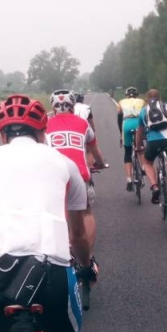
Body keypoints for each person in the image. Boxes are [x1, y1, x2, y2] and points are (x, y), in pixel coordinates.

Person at [0, 94, 91, 332]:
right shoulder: (63, 162)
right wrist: (86, 266)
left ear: (2, 136)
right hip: (51, 268)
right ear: (42, 132)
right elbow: (77, 235)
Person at [46, 89, 106, 278]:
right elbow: (94, 149)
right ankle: (87, 256)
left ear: (53, 108)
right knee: (86, 213)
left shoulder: (45, 124)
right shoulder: (82, 123)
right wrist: (100, 163)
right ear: (73, 106)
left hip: (54, 178)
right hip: (80, 175)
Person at [135, 88, 167, 205]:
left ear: (147, 98)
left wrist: (138, 146)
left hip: (153, 141)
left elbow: (140, 132)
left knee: (148, 163)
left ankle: (155, 186)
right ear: (160, 97)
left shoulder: (144, 111)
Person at [116, 86, 145, 191]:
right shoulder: (142, 101)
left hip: (127, 124)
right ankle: (144, 168)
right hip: (138, 123)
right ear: (137, 95)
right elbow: (145, 115)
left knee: (128, 152)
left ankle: (129, 179)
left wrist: (121, 133)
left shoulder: (121, 102)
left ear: (126, 95)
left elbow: (119, 119)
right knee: (140, 148)